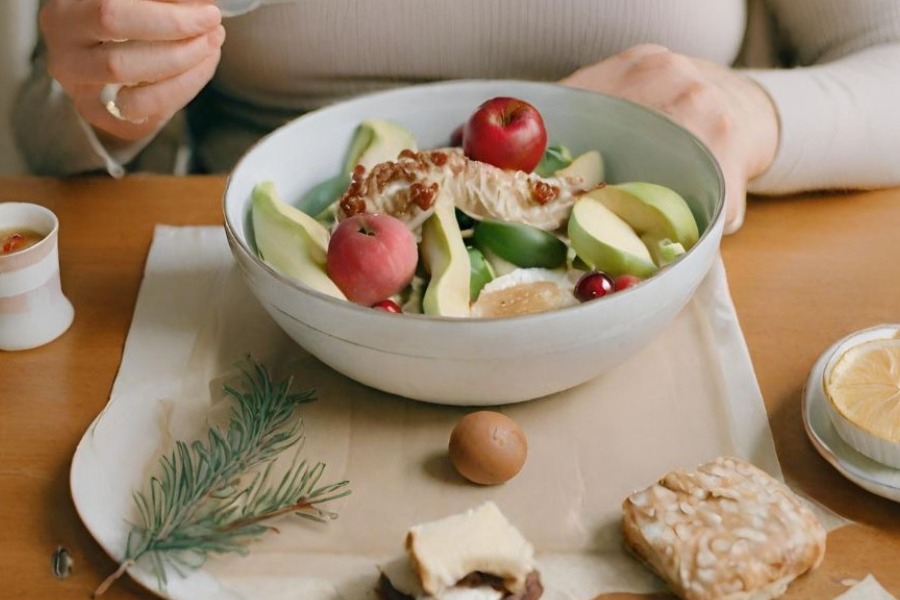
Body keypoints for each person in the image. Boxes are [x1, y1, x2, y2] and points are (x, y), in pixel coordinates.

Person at [13, 0, 900, 233]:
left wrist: (755, 111)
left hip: (645, 297)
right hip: (278, 311)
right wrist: (109, 97)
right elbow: (45, 130)